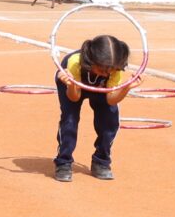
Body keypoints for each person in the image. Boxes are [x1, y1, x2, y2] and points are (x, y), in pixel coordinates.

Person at [54, 34, 137, 182]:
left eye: (110, 70)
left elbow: (111, 100)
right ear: (92, 60)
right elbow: (74, 98)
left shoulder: (114, 67)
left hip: (101, 88)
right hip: (72, 83)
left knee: (110, 121)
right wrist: (71, 84)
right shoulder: (75, 63)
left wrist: (127, 88)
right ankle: (64, 162)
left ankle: (101, 161)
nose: (107, 73)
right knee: (70, 120)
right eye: (103, 69)